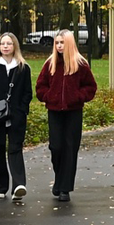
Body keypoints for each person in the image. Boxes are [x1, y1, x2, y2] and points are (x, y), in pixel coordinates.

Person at [35, 29, 97, 202]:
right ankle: (59, 179)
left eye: (62, 42)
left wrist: (77, 97)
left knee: (70, 148)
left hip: (73, 112)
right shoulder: (50, 64)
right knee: (56, 147)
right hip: (54, 111)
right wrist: (48, 97)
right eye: (57, 43)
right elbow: (41, 86)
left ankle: (65, 188)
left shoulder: (80, 64)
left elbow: (90, 87)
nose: (59, 46)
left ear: (69, 44)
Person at [0, 33, 33, 201]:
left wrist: (22, 110)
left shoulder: (23, 68)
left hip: (16, 115)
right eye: (2, 43)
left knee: (15, 148)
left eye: (9, 43)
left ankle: (18, 185)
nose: (5, 46)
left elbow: (27, 92)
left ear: (14, 46)